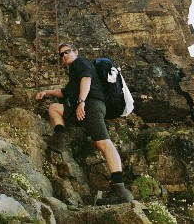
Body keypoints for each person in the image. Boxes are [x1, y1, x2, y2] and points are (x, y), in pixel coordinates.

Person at [35, 43, 134, 206]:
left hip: (92, 105)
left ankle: (119, 190)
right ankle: (60, 138)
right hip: (83, 107)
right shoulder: (74, 71)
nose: (64, 56)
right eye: (61, 55)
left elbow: (86, 79)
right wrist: (47, 92)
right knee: (54, 108)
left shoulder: (80, 62)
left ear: (76, 51)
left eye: (67, 52)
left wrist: (81, 102)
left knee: (103, 143)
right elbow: (64, 92)